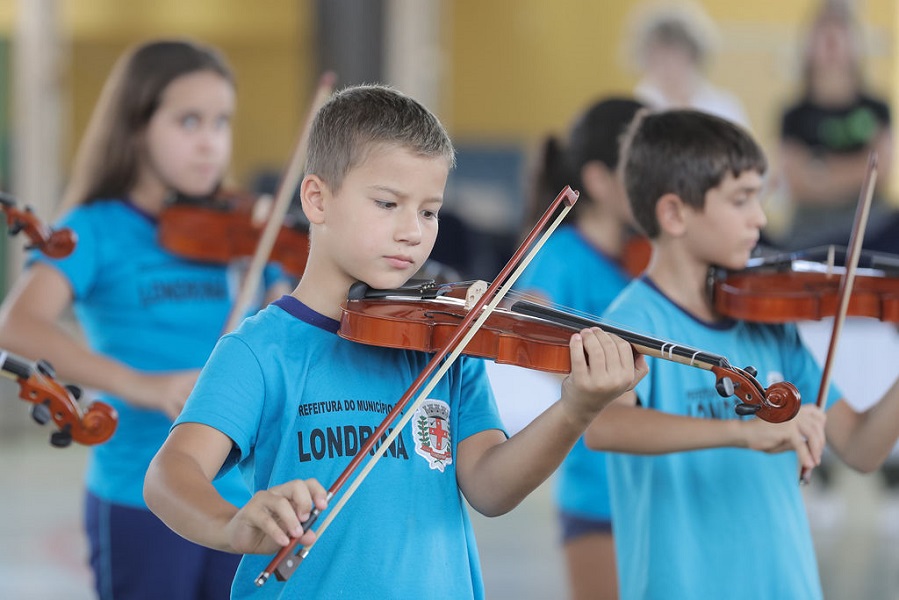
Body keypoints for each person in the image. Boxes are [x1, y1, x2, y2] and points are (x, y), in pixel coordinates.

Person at [142, 83, 648, 599]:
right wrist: (230, 524)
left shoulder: (446, 346)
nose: (413, 231)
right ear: (316, 199)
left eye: (429, 211)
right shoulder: (261, 350)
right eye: (388, 203)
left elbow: (491, 489)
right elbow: (169, 474)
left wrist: (575, 410)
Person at [0, 40, 292, 599]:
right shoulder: (93, 228)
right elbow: (18, 324)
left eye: (221, 122)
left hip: (242, 493)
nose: (210, 142)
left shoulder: (244, 232)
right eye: (188, 121)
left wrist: (282, 283)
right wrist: (141, 384)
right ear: (136, 127)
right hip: (139, 496)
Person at [582, 108, 899, 600]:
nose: (762, 218)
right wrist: (743, 432)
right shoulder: (633, 322)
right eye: (741, 199)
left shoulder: (769, 325)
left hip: (785, 586)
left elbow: (859, 448)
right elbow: (605, 428)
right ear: (674, 213)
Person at [510, 97, 646, 600]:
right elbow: (543, 343)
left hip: (655, 486)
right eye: (643, 166)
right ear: (600, 181)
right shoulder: (559, 257)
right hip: (600, 493)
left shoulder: (644, 259)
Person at [778, 0, 893, 250]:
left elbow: (879, 173)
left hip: (872, 225)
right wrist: (857, 169)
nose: (832, 44)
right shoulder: (794, 114)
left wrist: (819, 169)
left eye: (840, 34)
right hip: (810, 229)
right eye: (824, 35)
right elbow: (796, 181)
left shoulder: (877, 108)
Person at [627, 1, 750, 129]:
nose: (665, 67)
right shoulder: (637, 109)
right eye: (656, 58)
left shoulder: (725, 107)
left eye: (673, 56)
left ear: (693, 54)